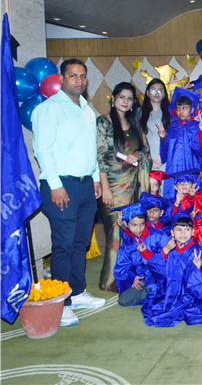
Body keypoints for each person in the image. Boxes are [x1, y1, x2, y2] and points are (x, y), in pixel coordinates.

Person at [32, 58, 106, 327]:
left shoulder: (86, 109)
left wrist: (95, 179)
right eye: (73, 76)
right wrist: (55, 185)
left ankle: (76, 292)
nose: (79, 80)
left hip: (86, 185)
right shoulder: (49, 109)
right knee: (63, 245)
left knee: (80, 243)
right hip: (61, 185)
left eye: (83, 76)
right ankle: (60, 303)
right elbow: (42, 150)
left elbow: (90, 149)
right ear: (61, 79)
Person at [97, 82, 152, 292]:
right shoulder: (103, 122)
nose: (126, 102)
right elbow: (100, 157)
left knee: (130, 231)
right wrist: (105, 188)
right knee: (115, 231)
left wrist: (138, 154)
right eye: (122, 97)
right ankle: (111, 281)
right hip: (112, 185)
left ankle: (129, 278)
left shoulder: (134, 122)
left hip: (133, 185)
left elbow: (145, 148)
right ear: (113, 98)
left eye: (129, 99)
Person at [142, 213, 202, 327]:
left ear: (193, 232)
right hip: (168, 290)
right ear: (172, 233)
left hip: (187, 294)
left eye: (187, 229)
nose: (183, 233)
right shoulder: (170, 249)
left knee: (171, 313)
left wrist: (197, 269)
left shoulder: (197, 252)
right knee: (153, 308)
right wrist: (165, 250)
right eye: (178, 229)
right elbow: (155, 266)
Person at [113, 203, 169, 307]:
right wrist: (133, 277)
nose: (138, 229)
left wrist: (147, 254)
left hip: (160, 276)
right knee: (123, 300)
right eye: (134, 225)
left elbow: (168, 258)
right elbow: (123, 265)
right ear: (126, 224)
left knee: (159, 293)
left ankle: (156, 292)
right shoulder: (128, 244)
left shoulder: (157, 235)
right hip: (143, 278)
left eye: (142, 224)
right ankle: (151, 292)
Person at [156, 87, 202, 199]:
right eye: (178, 109)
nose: (181, 112)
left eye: (184, 108)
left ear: (192, 110)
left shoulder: (196, 126)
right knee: (173, 196)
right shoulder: (172, 127)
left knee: (192, 195)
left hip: (191, 165)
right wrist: (163, 137)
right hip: (174, 167)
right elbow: (167, 149)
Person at [139, 79, 172, 172]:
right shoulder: (139, 114)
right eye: (153, 90)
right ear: (147, 93)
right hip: (145, 159)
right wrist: (151, 157)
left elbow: (174, 139)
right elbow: (136, 139)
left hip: (164, 161)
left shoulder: (170, 114)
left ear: (164, 94)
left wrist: (163, 157)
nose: (157, 93)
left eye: (160, 90)